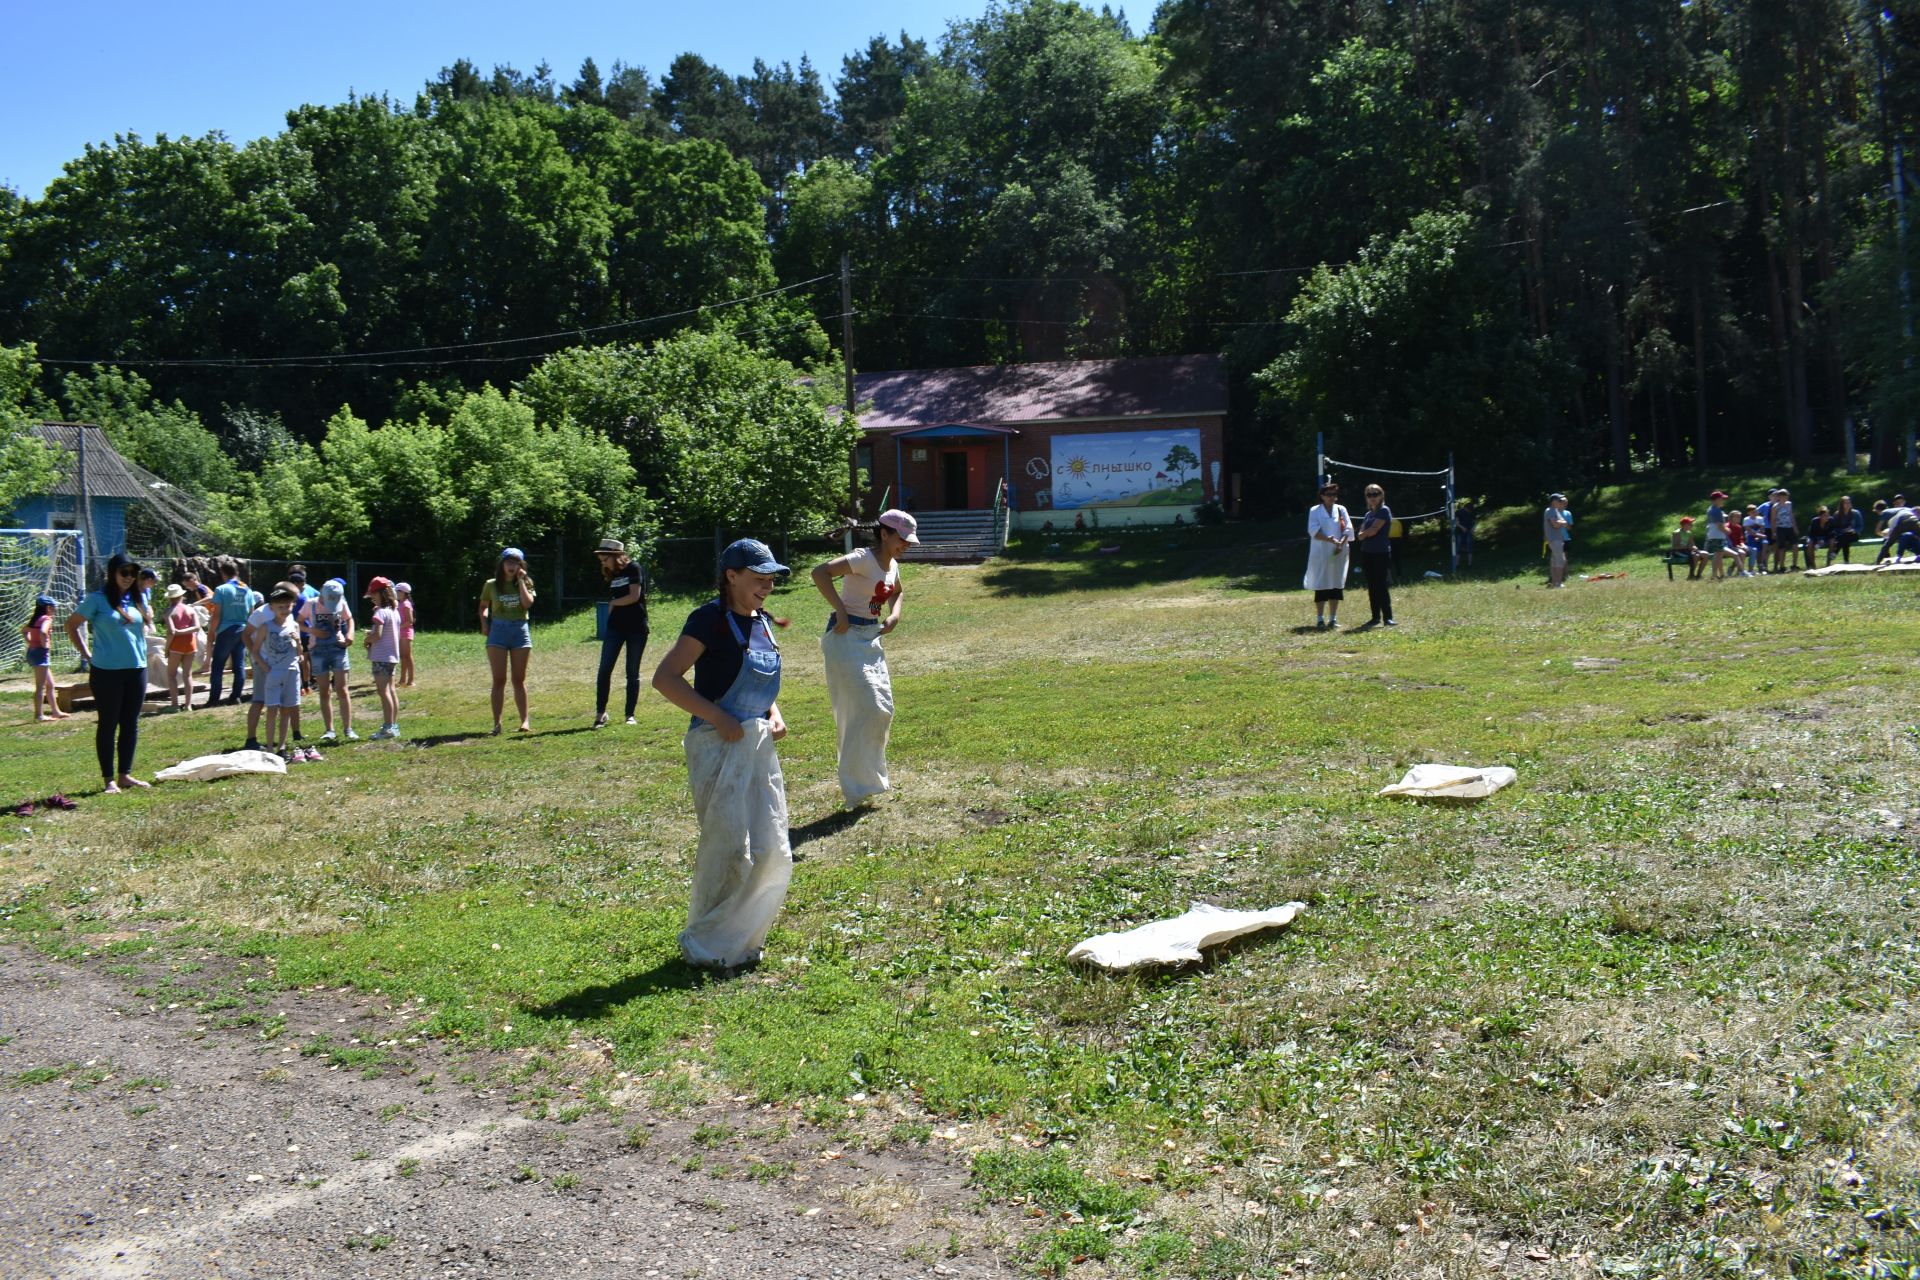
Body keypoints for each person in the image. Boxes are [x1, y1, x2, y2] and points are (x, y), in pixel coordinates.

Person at [651, 539, 793, 973]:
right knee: (729, 850)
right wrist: (717, 716)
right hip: (715, 745)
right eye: (758, 578)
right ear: (731, 576)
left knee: (772, 849)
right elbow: (666, 678)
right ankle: (707, 942)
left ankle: (741, 938)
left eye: (771, 578)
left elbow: (761, 686)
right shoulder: (707, 620)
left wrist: (774, 712)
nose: (767, 586)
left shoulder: (764, 623)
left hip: (757, 746)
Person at [812, 509, 914, 807]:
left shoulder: (891, 564)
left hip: (870, 639)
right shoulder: (862, 558)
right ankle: (856, 788)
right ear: (884, 534)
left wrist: (895, 614)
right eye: (902, 538)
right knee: (867, 708)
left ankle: (869, 782)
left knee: (882, 710)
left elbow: (897, 591)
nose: (906, 545)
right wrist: (840, 611)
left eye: (909, 540)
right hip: (845, 638)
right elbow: (820, 572)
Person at [65, 554, 151, 793]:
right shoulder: (97, 599)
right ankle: (108, 780)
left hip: (136, 669)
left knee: (130, 723)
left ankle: (125, 775)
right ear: (113, 573)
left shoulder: (136, 598)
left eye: (133, 573)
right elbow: (71, 625)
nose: (129, 577)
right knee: (108, 724)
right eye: (124, 572)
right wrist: (86, 654)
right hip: (107, 672)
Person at [592, 538, 649, 729]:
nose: (603, 563)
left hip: (636, 628)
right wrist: (613, 606)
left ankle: (630, 715)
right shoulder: (612, 573)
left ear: (616, 556)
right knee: (604, 670)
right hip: (615, 628)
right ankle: (601, 714)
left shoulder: (634, 568)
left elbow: (634, 596)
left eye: (604, 559)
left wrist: (613, 603)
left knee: (632, 672)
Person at [479, 547, 536, 734]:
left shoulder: (526, 582)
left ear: (521, 565)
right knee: (499, 679)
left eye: (516, 562)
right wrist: (484, 622)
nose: (512, 566)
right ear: (502, 564)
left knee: (518, 679)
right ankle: (497, 723)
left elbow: (528, 604)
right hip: (498, 631)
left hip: (520, 629)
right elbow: (483, 606)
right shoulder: (491, 585)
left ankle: (524, 721)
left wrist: (520, 581)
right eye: (509, 562)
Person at [254, 583, 308, 762]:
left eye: (287, 606)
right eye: (280, 607)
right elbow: (255, 650)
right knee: (272, 710)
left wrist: (299, 643)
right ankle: (269, 747)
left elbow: (299, 653)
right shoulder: (266, 626)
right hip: (274, 672)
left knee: (286, 710)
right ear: (272, 608)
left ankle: (281, 747)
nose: (284, 610)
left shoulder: (294, 625)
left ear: (292, 605)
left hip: (292, 672)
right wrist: (264, 667)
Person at [306, 578, 356, 743]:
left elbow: (349, 619)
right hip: (318, 651)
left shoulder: (341, 602)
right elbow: (298, 622)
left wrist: (350, 635)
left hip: (338, 649)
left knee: (342, 689)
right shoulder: (310, 604)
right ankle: (329, 730)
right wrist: (312, 630)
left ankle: (348, 729)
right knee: (324, 691)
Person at [206, 556, 255, 704]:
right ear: (237, 572)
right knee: (239, 664)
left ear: (223, 573)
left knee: (218, 665)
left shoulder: (221, 589)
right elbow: (252, 613)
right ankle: (236, 697)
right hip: (243, 629)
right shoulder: (247, 589)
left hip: (226, 630)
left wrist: (211, 633)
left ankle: (214, 699)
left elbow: (217, 615)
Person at [1305, 482, 1353, 627]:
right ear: (1322, 496)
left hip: (1338, 552)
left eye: (1333, 494)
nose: (1331, 497)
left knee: (1335, 584)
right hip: (1321, 553)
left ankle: (1333, 618)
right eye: (1328, 494)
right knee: (1321, 584)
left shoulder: (1341, 509)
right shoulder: (1315, 510)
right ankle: (1320, 619)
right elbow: (1313, 530)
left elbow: (1348, 528)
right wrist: (1329, 539)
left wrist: (1340, 543)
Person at [363, 577, 403, 739]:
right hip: (392, 656)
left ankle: (387, 728)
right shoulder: (394, 612)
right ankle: (393, 726)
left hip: (381, 657)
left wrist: (367, 639)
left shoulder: (380, 612)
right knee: (391, 690)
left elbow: (377, 635)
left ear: (382, 593)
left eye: (373, 594)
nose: (372, 597)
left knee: (383, 691)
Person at [1354, 484, 1396, 625]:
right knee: (1372, 585)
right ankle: (1375, 617)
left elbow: (1373, 531)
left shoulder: (1384, 511)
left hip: (1381, 553)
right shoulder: (1368, 514)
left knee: (1381, 585)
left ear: (1381, 495)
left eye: (1375, 494)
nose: (1372, 497)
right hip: (1367, 553)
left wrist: (1365, 533)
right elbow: (1359, 536)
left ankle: (1388, 617)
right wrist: (1366, 533)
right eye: (1369, 494)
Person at [23, 595, 68, 721]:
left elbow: (24, 630)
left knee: (50, 684)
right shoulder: (47, 619)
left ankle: (56, 711)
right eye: (54, 607)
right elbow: (43, 632)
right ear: (48, 608)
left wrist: (30, 641)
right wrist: (45, 645)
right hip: (40, 654)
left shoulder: (35, 619)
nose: (55, 610)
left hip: (32, 652)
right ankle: (39, 715)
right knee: (40, 686)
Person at [162, 583, 199, 711]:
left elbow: (171, 632)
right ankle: (188, 705)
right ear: (182, 595)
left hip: (177, 646)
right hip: (191, 644)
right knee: (187, 675)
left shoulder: (168, 612)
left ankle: (175, 704)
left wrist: (167, 649)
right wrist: (184, 631)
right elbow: (197, 627)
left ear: (169, 598)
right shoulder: (190, 609)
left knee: (171, 674)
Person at [1543, 493, 1572, 587]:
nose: (1562, 503)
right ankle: (1558, 584)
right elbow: (1555, 524)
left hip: (1558, 539)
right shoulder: (1550, 510)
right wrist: (1561, 522)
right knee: (1560, 561)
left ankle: (1554, 583)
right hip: (1554, 540)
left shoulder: (1555, 511)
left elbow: (1565, 524)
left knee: (1555, 561)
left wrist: (1560, 522)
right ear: (1554, 502)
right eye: (1560, 501)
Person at [1768, 488, 1797, 573]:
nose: (1785, 498)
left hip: (1790, 527)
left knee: (1795, 545)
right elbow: (1773, 520)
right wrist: (1773, 531)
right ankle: (1782, 566)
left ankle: (1794, 565)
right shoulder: (1775, 507)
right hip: (1780, 528)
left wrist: (1795, 527)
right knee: (1782, 547)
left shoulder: (1789, 504)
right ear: (1779, 497)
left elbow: (1791, 516)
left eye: (1786, 496)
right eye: (1783, 496)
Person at [1703, 490, 1731, 580]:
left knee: (1719, 554)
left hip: (1713, 535)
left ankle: (1721, 573)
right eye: (1722, 499)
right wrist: (1727, 530)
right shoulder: (1717, 511)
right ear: (1717, 499)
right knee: (1718, 555)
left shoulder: (1710, 509)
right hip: (1717, 535)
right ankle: (1714, 575)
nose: (1723, 501)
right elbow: (1719, 525)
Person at [395, 582, 417, 687]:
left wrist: (398, 627)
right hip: (400, 632)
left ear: (404, 592)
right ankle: (402, 680)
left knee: (407, 656)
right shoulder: (399, 603)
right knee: (402, 657)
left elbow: (410, 621)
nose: (396, 593)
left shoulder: (406, 604)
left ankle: (411, 680)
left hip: (406, 632)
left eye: (398, 591)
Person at [1831, 496, 1865, 564]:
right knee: (1845, 538)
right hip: (1841, 535)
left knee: (1845, 537)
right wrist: (1843, 530)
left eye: (1849, 503)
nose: (1848, 504)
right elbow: (1834, 528)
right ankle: (1846, 561)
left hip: (1853, 535)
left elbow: (1861, 526)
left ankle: (1835, 552)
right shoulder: (1837, 514)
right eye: (1846, 503)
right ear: (1842, 504)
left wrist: (1854, 530)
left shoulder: (1856, 513)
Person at [1452, 500, 1476, 568]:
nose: (1469, 511)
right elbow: (1456, 522)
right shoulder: (1458, 512)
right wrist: (1462, 527)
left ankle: (1470, 564)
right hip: (1460, 532)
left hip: (1469, 532)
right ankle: (1457, 564)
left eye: (1470, 510)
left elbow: (1474, 521)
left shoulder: (1472, 511)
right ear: (1465, 508)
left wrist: (1473, 528)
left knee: (1469, 547)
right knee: (1458, 547)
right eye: (1468, 510)